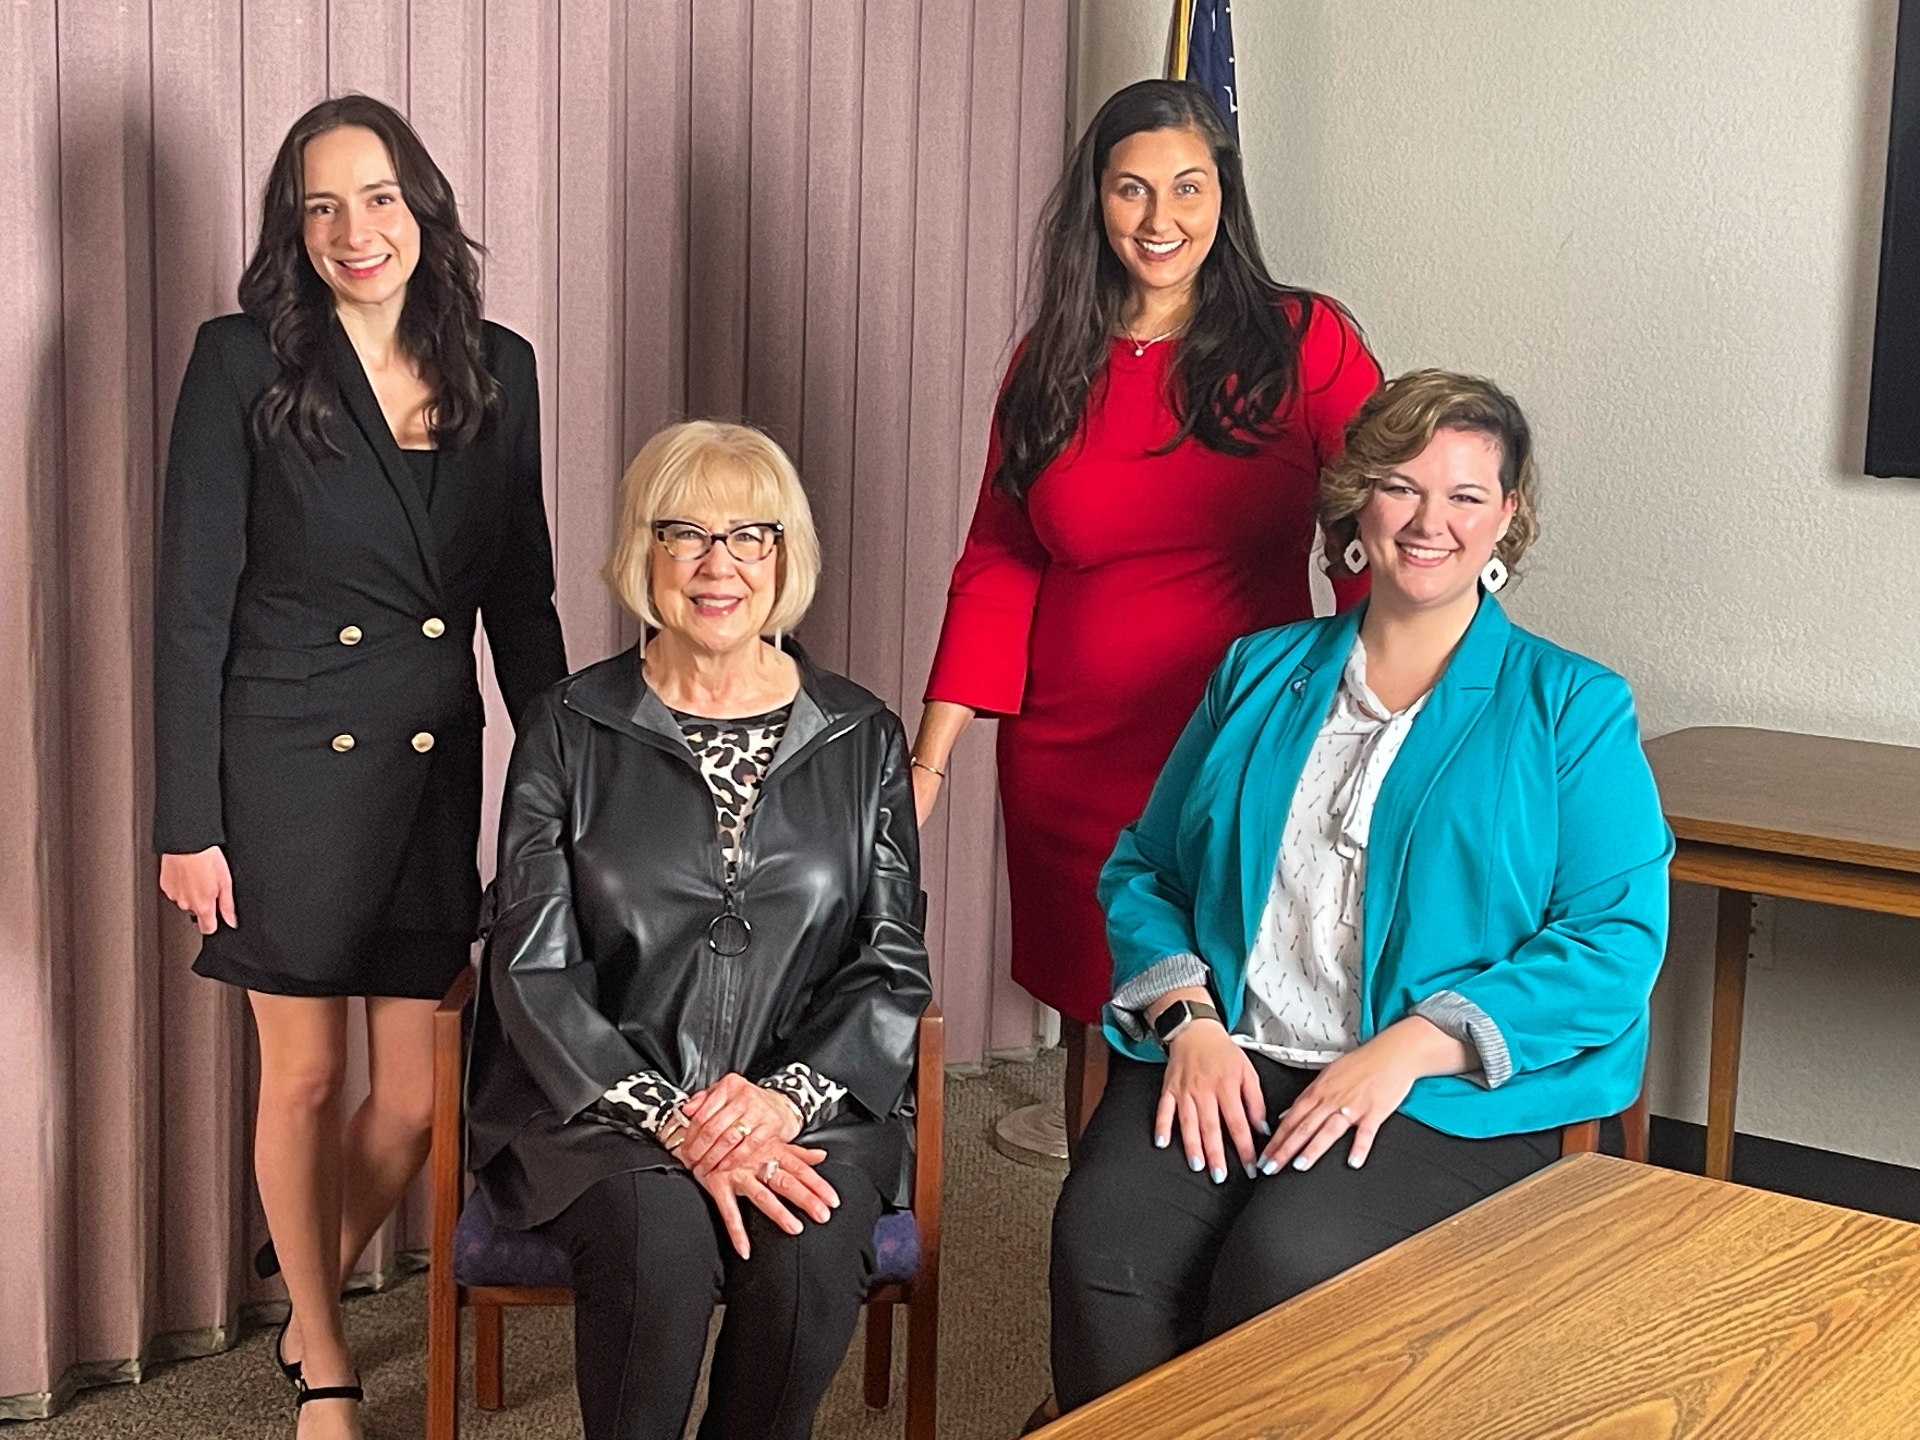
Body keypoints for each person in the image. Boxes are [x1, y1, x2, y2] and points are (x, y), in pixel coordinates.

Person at [1048, 370, 1674, 1410]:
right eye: (1400, 486)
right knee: (1105, 1242)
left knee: (1286, 1263)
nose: (1431, 522)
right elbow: (1146, 868)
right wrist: (1191, 1021)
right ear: (1357, 503)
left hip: (1439, 1090)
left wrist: (1405, 1050)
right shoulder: (1257, 672)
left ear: (1506, 517)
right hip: (1231, 1054)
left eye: (1466, 496)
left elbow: (1613, 940)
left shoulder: (1573, 706)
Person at [152, 95, 567, 1438]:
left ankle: (304, 1280)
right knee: (309, 1080)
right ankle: (324, 1361)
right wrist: (185, 819)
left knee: (408, 1102)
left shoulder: (499, 365)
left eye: (379, 197)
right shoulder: (239, 362)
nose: (354, 229)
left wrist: (570, 790)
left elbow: (524, 598)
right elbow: (191, 606)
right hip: (283, 762)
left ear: (423, 207)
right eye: (321, 205)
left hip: (434, 768)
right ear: (293, 227)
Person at [912, 79, 1381, 1145]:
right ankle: (1104, 1219)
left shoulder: (1303, 341)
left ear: (1226, 196)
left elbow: (1371, 531)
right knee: (1097, 1007)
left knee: (1235, 1000)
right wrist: (929, 761)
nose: (1160, 219)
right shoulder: (1049, 360)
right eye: (1132, 190)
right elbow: (998, 561)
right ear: (1096, 201)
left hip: (1242, 742)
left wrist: (1380, 717)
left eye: (1187, 187)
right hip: (1068, 751)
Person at [465, 421, 932, 1440]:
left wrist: (776, 1103)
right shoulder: (567, 725)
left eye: (748, 537)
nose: (718, 565)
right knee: (658, 1248)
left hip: (807, 1105)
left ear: (785, 555)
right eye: (685, 534)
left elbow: (890, 959)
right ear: (645, 552)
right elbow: (532, 963)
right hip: (593, 1109)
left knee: (808, 1258)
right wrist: (673, 1117)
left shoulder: (862, 736)